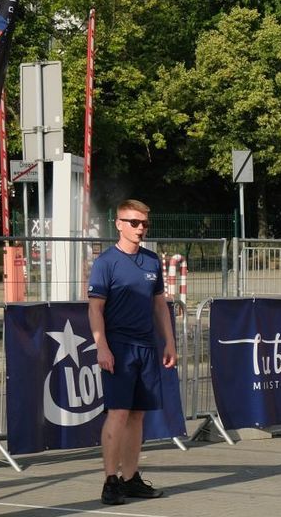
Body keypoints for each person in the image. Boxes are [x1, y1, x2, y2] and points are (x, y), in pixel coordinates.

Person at [88, 199, 177, 506]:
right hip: (119, 348)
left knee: (138, 414)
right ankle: (111, 481)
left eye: (144, 224)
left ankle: (131, 478)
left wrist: (170, 342)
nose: (141, 229)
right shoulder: (106, 263)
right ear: (119, 224)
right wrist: (102, 347)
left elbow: (159, 305)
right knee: (119, 412)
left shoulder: (152, 261)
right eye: (134, 223)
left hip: (147, 347)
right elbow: (95, 309)